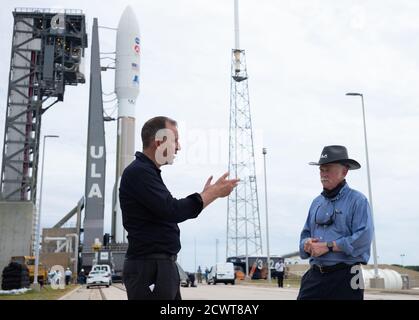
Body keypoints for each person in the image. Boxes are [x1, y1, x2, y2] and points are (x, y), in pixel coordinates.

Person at [120, 116, 239, 300]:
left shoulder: (147, 172)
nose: (178, 147)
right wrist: (212, 193)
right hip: (149, 268)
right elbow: (172, 210)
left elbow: (170, 210)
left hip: (159, 267)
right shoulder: (139, 172)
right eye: (175, 140)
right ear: (159, 142)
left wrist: (207, 195)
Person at [297, 145, 373, 300]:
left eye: (328, 169)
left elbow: (363, 239)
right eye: (321, 170)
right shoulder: (316, 203)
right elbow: (304, 235)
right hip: (315, 276)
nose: (323, 174)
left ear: (344, 171)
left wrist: (328, 246)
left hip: (348, 277)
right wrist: (306, 244)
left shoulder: (358, 201)